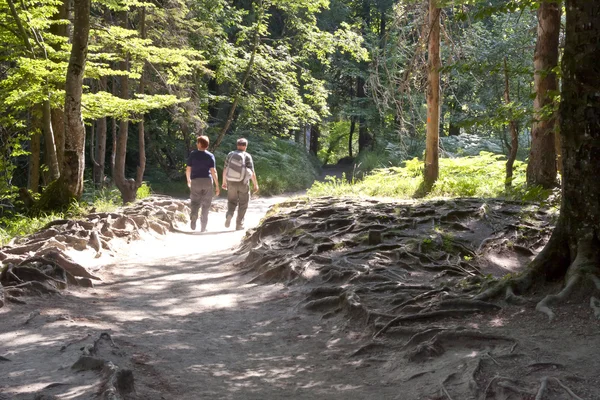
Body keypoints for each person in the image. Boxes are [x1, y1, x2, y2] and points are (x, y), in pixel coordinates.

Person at [222, 138, 259, 230]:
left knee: (231, 201)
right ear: (245, 146)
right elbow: (252, 172)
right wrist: (255, 184)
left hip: (231, 182)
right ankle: (239, 224)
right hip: (243, 183)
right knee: (243, 203)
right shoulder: (247, 156)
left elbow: (225, 169)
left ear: (237, 145)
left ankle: (230, 214)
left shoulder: (230, 154)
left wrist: (224, 182)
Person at [186, 135, 220, 232]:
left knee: (195, 201)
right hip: (207, 181)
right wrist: (217, 185)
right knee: (206, 204)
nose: (196, 144)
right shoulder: (210, 155)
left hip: (195, 181)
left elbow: (188, 169)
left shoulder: (193, 154)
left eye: (197, 142)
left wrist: (188, 180)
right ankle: (203, 227)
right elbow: (213, 171)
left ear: (200, 144)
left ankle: (193, 215)